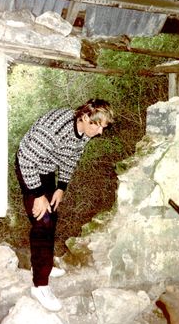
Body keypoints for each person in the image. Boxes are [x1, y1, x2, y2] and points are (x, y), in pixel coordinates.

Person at [15, 98, 114, 311]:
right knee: (43, 221)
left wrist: (61, 186)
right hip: (29, 168)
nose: (99, 133)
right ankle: (39, 285)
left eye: (103, 127)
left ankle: (43, 264)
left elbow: (71, 158)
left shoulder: (86, 131)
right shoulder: (53, 129)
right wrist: (38, 194)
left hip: (47, 170)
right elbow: (25, 160)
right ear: (84, 116)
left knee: (53, 217)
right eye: (97, 126)